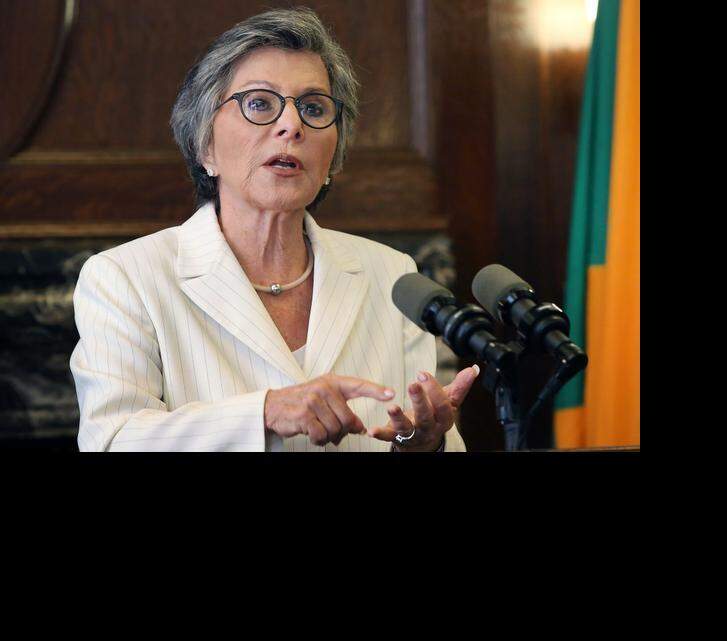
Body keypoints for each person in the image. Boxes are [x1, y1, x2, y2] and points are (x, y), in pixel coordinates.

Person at [70, 7, 476, 452]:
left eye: (313, 107)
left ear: (332, 159)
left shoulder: (392, 276)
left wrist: (421, 446)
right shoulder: (125, 277)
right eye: (260, 103)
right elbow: (111, 440)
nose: (291, 125)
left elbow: (421, 435)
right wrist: (265, 412)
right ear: (205, 144)